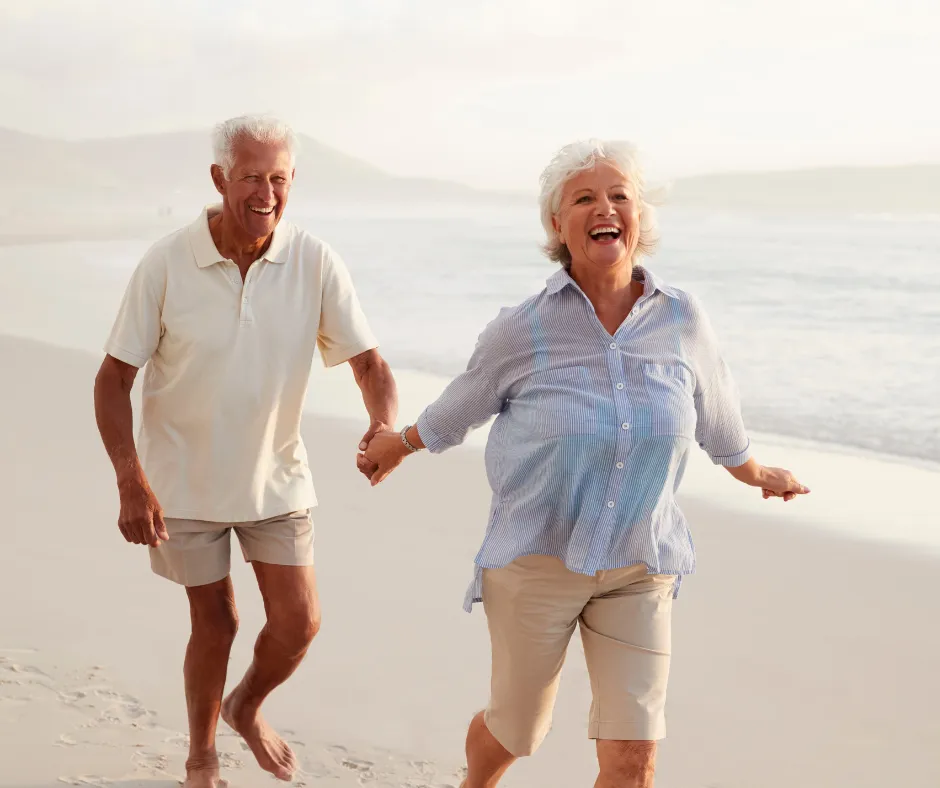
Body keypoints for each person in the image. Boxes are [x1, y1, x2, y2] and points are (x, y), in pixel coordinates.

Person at [359, 140, 809, 788]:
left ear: (639, 216)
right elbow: (461, 405)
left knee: (634, 758)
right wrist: (395, 445)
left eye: (620, 195)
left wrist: (753, 471)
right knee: (518, 729)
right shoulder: (525, 328)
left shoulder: (683, 318)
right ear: (557, 224)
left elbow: (715, 409)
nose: (606, 208)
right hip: (536, 560)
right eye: (585, 198)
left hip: (639, 559)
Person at [93, 114, 397, 788]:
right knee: (218, 620)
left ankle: (246, 706)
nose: (266, 192)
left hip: (276, 475)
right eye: (252, 177)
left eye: (280, 179)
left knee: (299, 621)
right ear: (219, 178)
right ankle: (201, 758)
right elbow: (114, 377)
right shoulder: (168, 262)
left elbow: (370, 362)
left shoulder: (314, 261)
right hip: (183, 478)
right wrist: (130, 480)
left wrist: (383, 427)